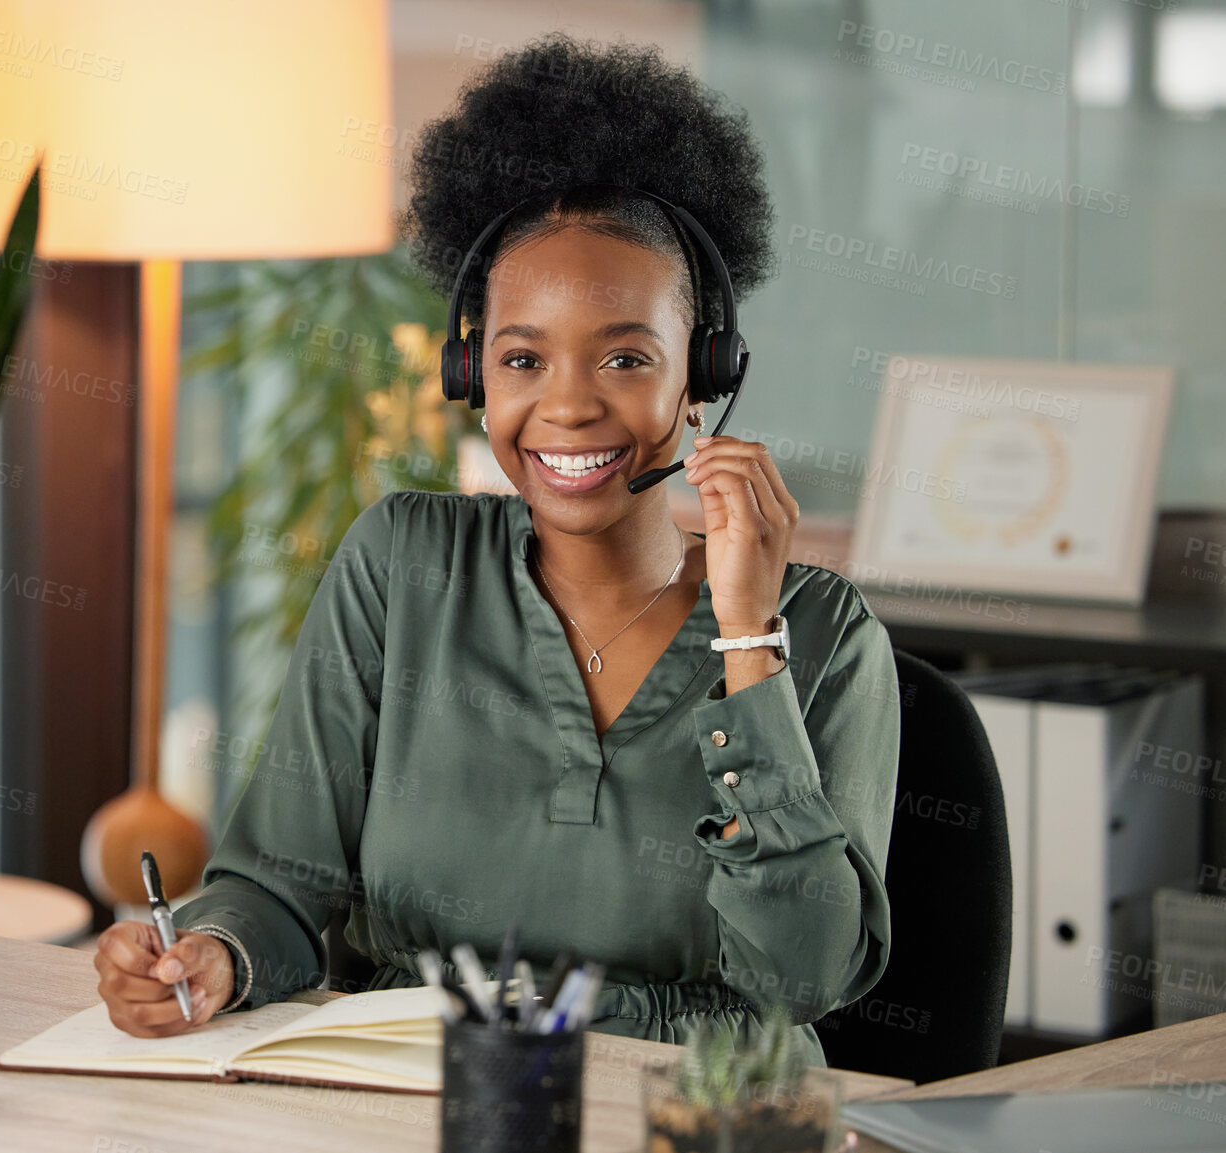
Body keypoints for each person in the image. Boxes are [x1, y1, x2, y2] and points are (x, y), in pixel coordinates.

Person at [94, 32, 898, 1068]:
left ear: (702, 377)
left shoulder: (823, 635)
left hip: (676, 1117)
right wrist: (214, 951)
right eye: (523, 358)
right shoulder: (401, 563)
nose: (566, 405)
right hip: (395, 1098)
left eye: (625, 356)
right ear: (474, 372)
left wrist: (747, 635)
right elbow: (279, 881)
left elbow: (800, 980)